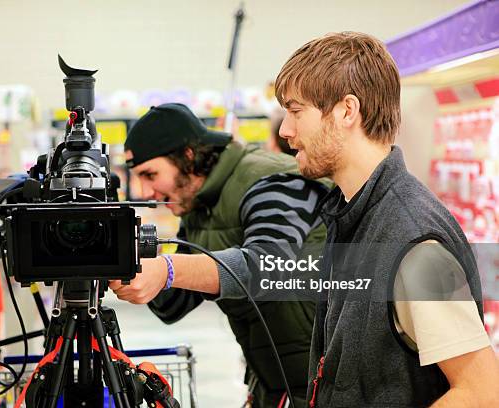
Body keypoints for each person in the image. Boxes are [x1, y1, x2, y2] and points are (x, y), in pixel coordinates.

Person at [274, 31, 499, 407]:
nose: (285, 130)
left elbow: (481, 392)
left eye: (296, 111)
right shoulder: (354, 213)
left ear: (347, 110)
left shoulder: (414, 242)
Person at [109, 103, 330, 407]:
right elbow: (171, 304)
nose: (146, 192)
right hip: (274, 383)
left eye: (150, 174)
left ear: (187, 156)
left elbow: (265, 268)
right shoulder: (199, 209)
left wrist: (168, 268)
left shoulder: (272, 181)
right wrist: (127, 258)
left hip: (327, 383)